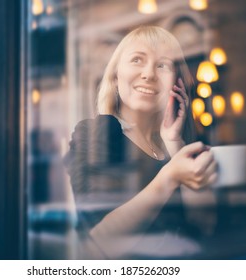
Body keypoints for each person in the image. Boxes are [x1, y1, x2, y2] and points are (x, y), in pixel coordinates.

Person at [64, 26, 217, 259]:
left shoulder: (175, 144)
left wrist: (175, 142)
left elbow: (205, 224)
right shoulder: (95, 134)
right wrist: (170, 177)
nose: (149, 74)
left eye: (162, 64)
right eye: (137, 60)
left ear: (176, 84)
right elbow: (98, 243)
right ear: (116, 77)